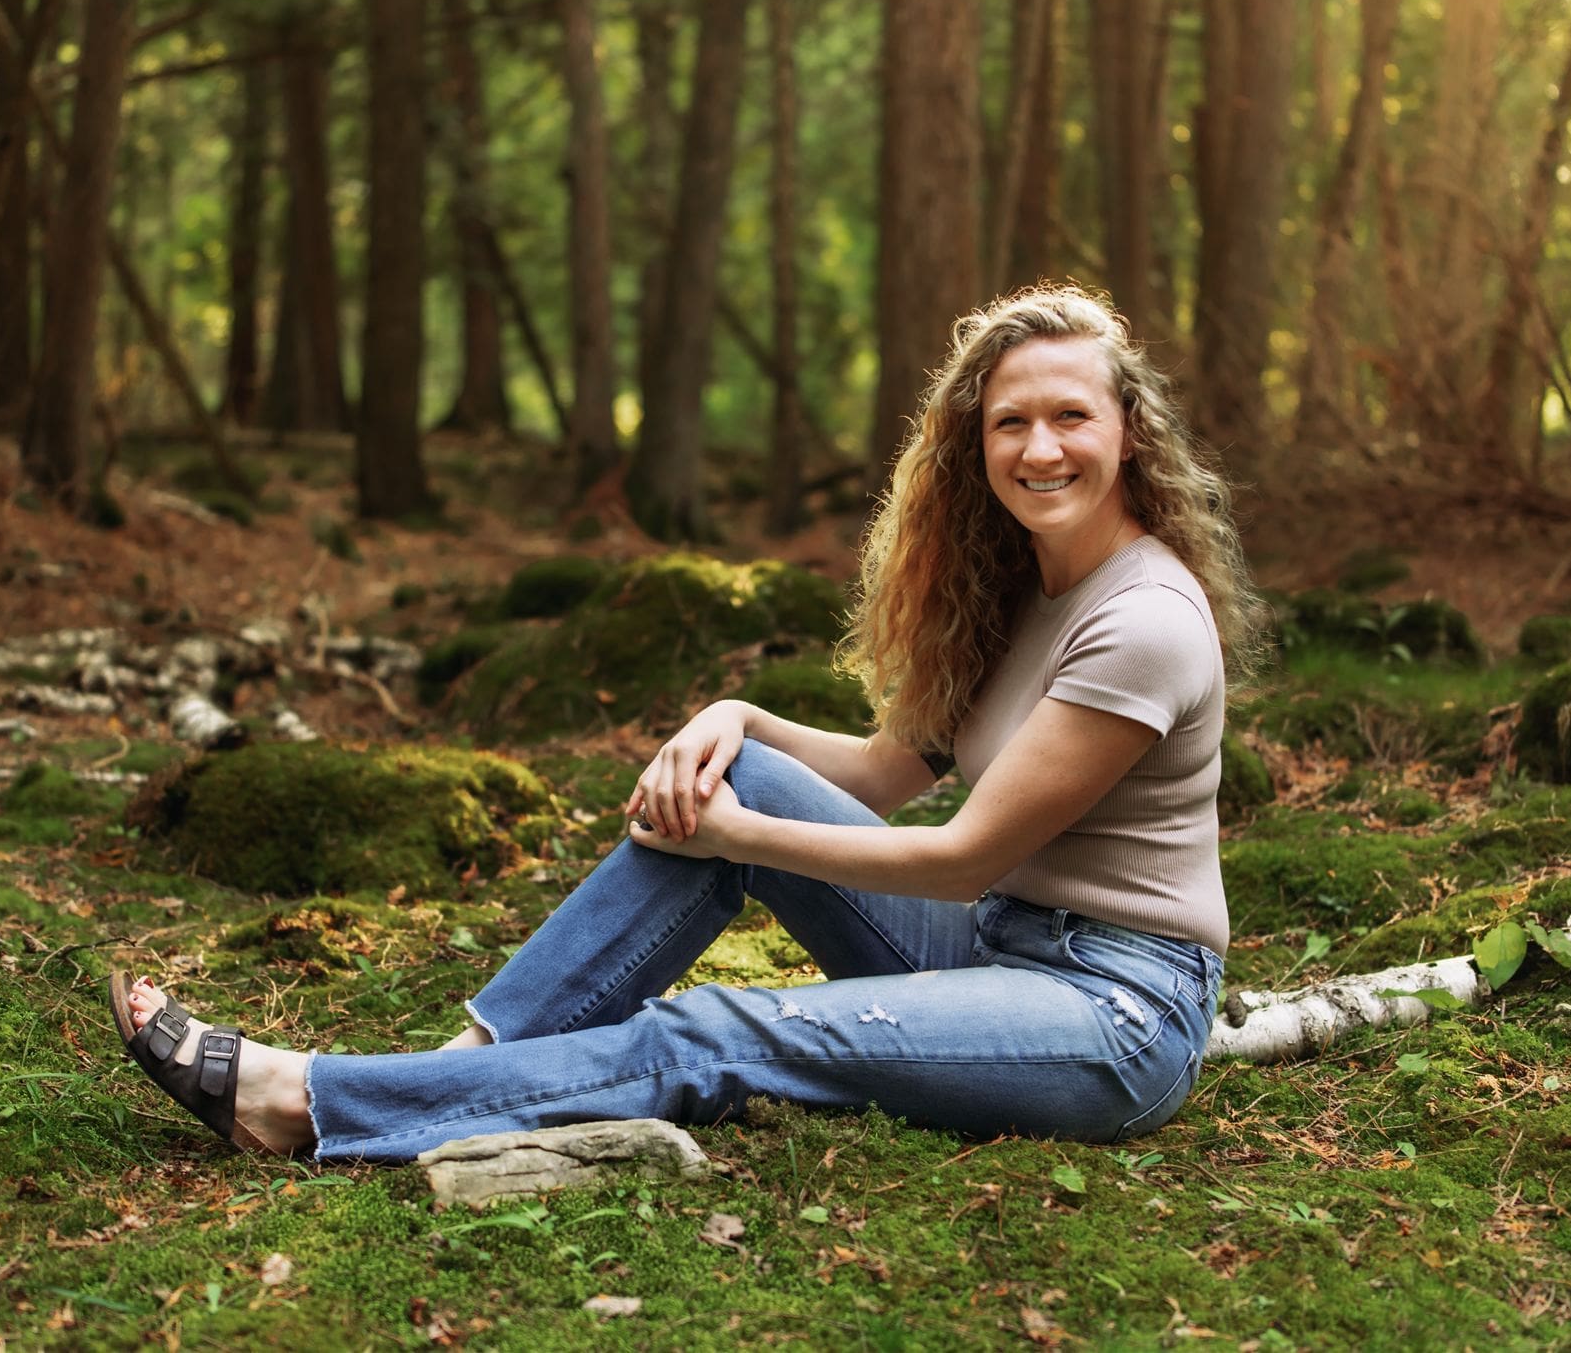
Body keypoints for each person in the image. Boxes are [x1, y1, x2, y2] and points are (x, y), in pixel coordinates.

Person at [109, 283, 1265, 1161]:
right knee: (741, 778)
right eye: (1009, 422)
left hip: (1111, 1012)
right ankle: (461, 1077)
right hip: (997, 952)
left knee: (708, 1032)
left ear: (1127, 433)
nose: (1039, 448)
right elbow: (875, 779)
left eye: (1070, 416)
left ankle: (303, 1105)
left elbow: (960, 860)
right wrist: (733, 721)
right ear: (974, 443)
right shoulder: (1016, 592)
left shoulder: (1144, 620)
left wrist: (736, 836)